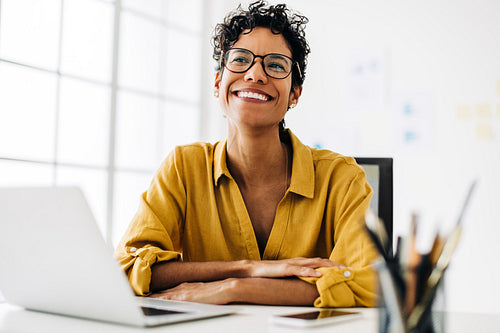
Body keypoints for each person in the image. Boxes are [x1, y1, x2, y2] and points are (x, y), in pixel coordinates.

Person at [115, 0, 378, 308]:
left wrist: (237, 289)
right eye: (240, 60)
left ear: (295, 93)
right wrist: (245, 268)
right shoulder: (184, 167)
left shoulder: (342, 178)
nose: (255, 74)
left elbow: (369, 284)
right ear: (217, 83)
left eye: (276, 64)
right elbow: (128, 268)